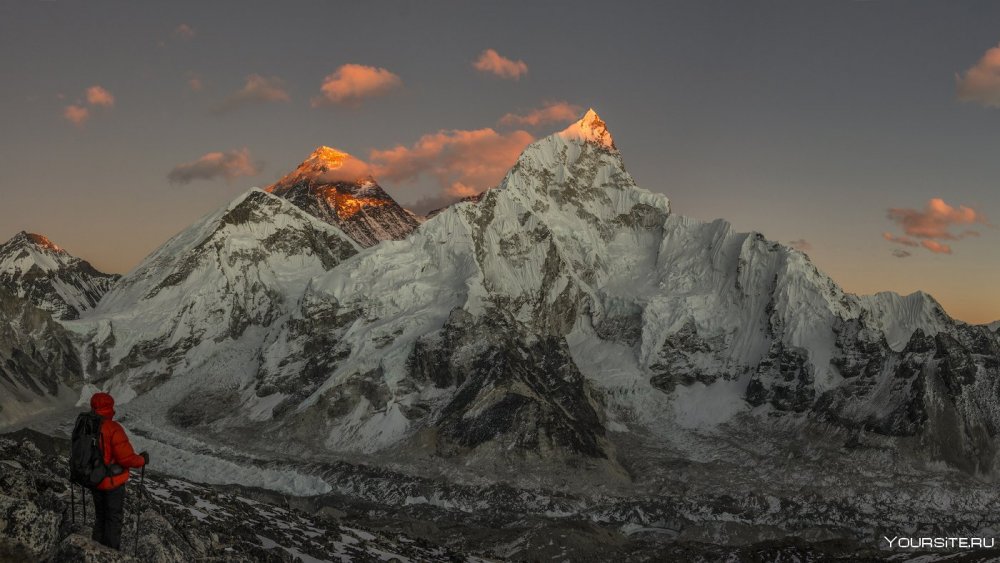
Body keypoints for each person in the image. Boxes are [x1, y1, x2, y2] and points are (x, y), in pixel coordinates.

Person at [88, 392, 148, 550]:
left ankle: (95, 550)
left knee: (100, 517)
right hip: (112, 483)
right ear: (109, 408)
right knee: (113, 518)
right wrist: (142, 460)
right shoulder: (113, 428)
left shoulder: (87, 425)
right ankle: (110, 553)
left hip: (94, 479)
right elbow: (126, 458)